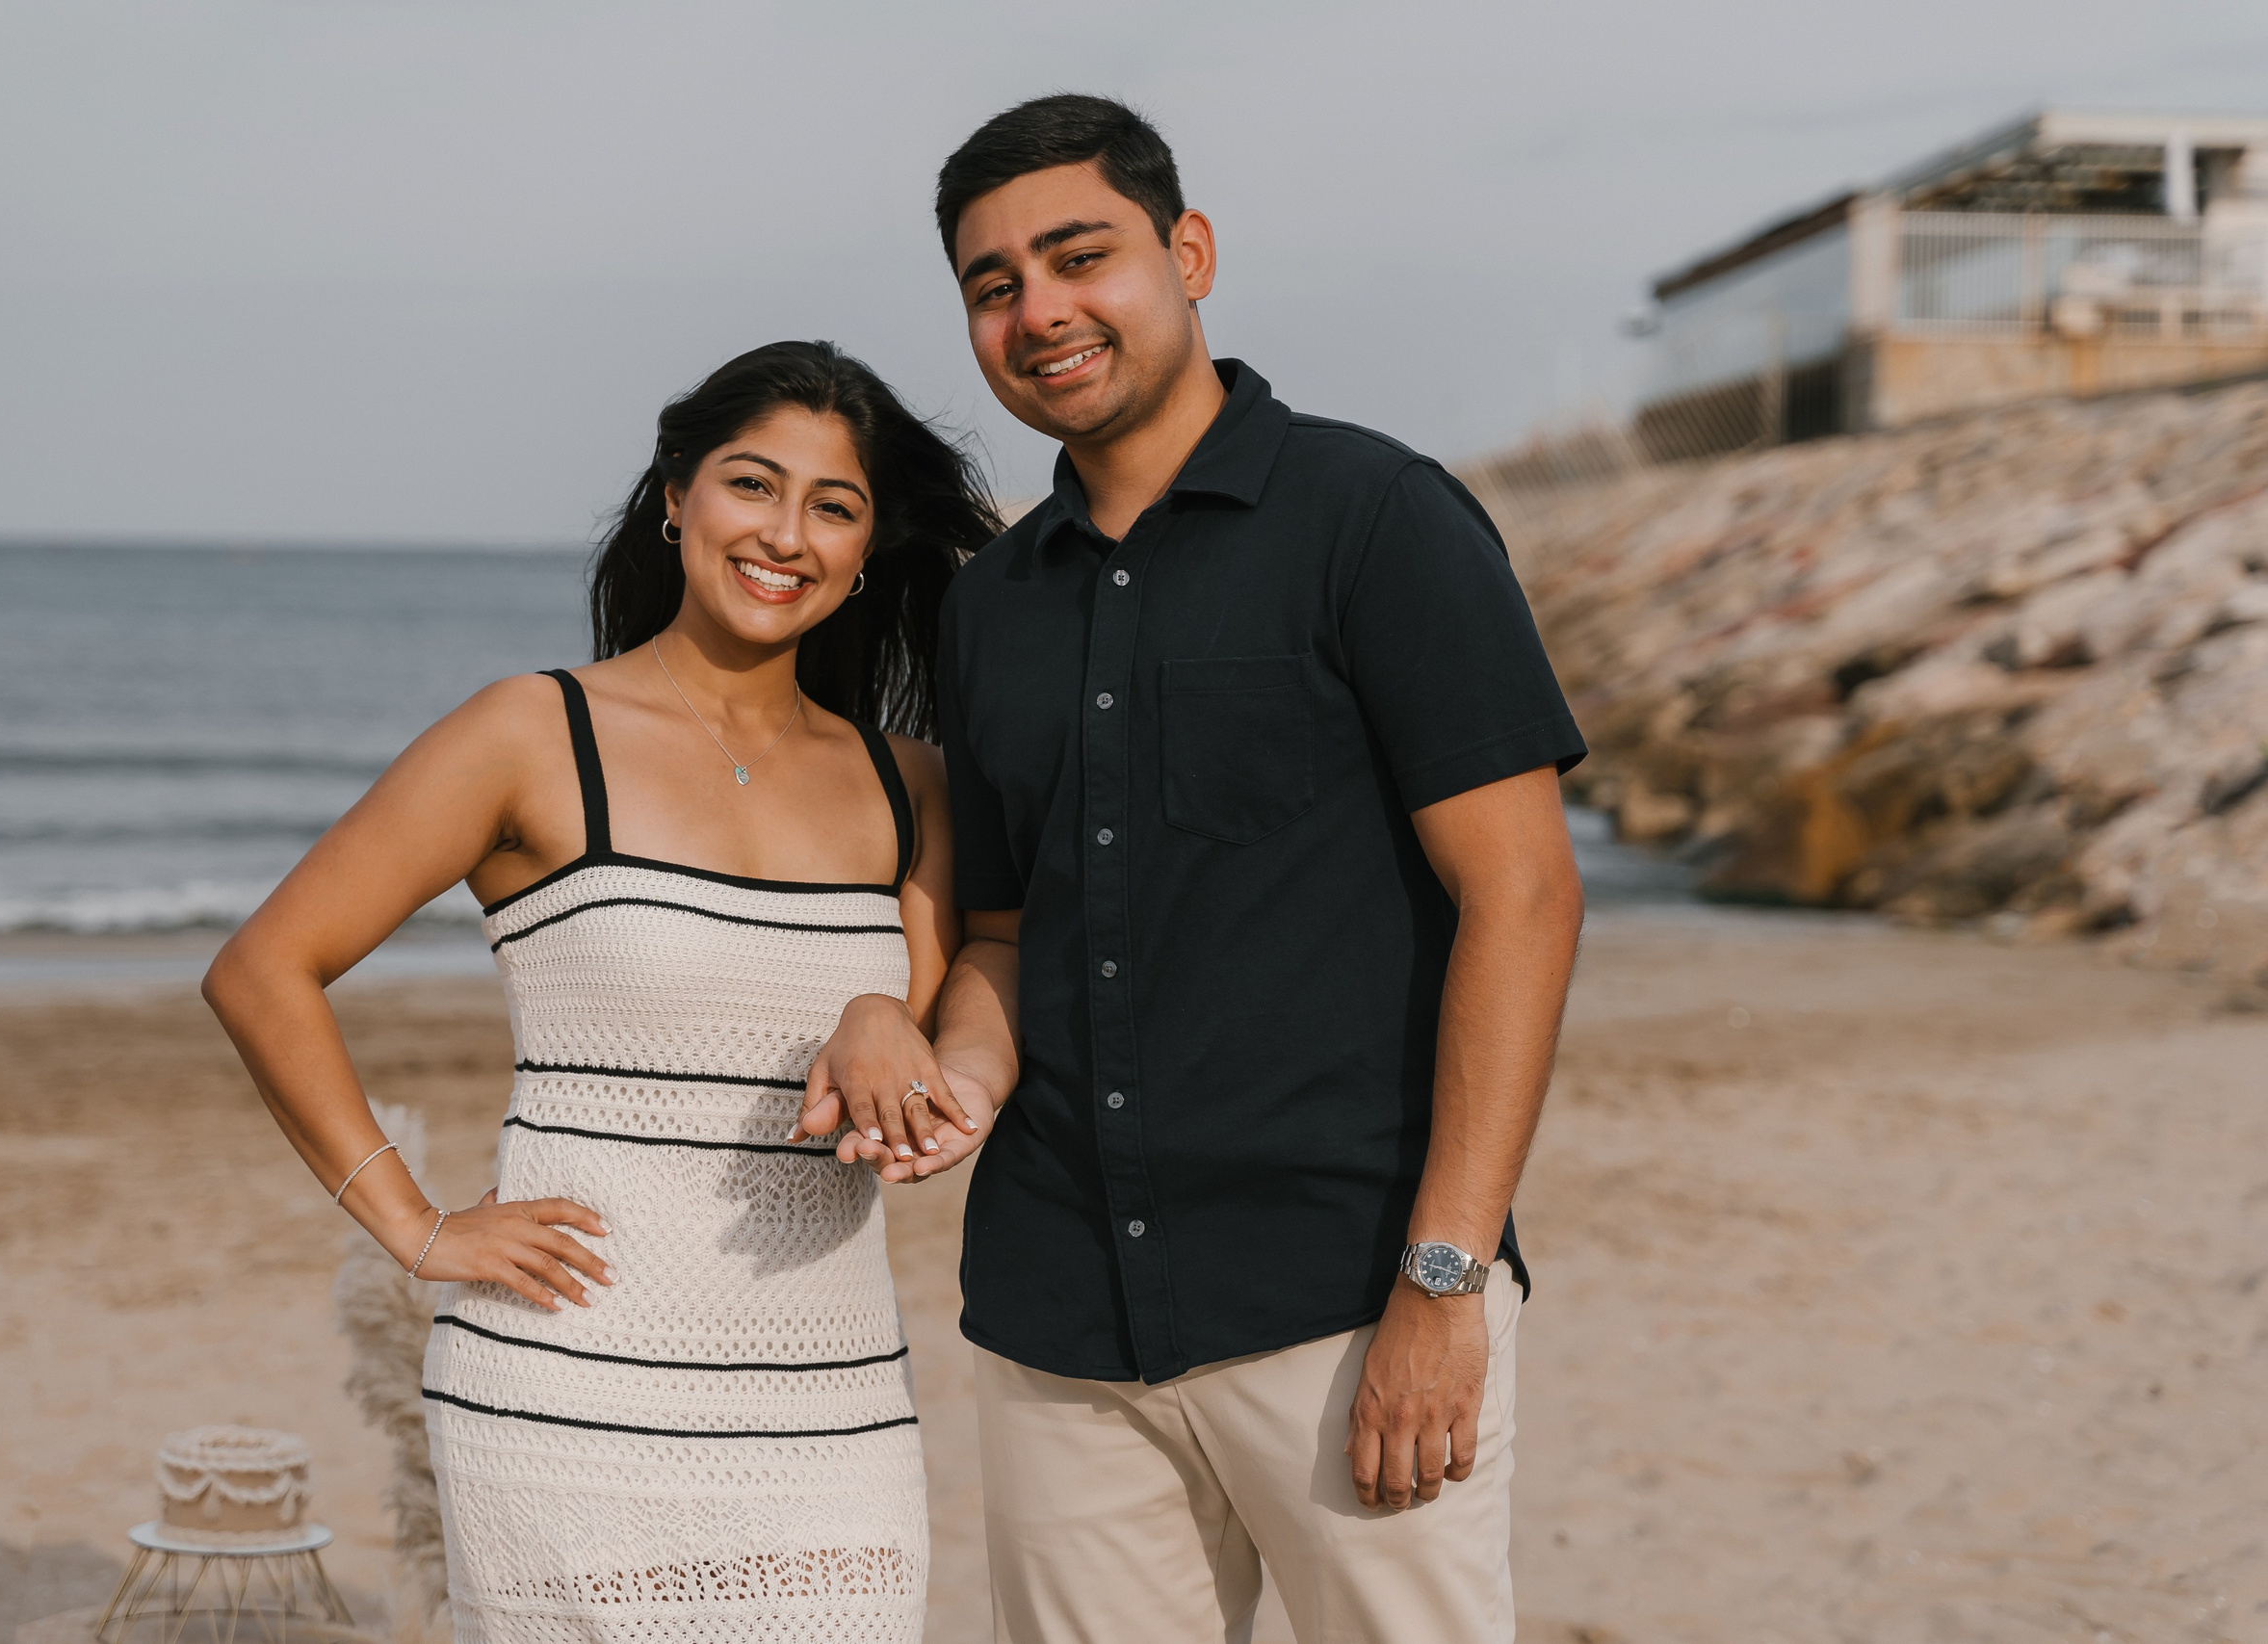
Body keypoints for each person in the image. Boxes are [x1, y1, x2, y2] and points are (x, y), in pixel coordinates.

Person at [808, 95, 1589, 1642]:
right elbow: (1011, 930)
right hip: (1059, 1327)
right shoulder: (991, 610)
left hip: (1347, 1300)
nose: (1040, 312)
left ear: (1189, 253)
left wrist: (1443, 1280)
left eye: (1077, 255)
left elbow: (1526, 898)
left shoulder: (1376, 517)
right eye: (992, 284)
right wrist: (921, 1049)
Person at [203, 340, 1003, 1643]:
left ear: (867, 550)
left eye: (834, 506)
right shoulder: (530, 734)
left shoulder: (910, 787)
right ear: (676, 496)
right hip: (563, 1404)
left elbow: (930, 1055)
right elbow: (262, 970)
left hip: (832, 1417)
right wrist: (412, 1228)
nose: (786, 534)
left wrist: (878, 1021)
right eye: (753, 485)